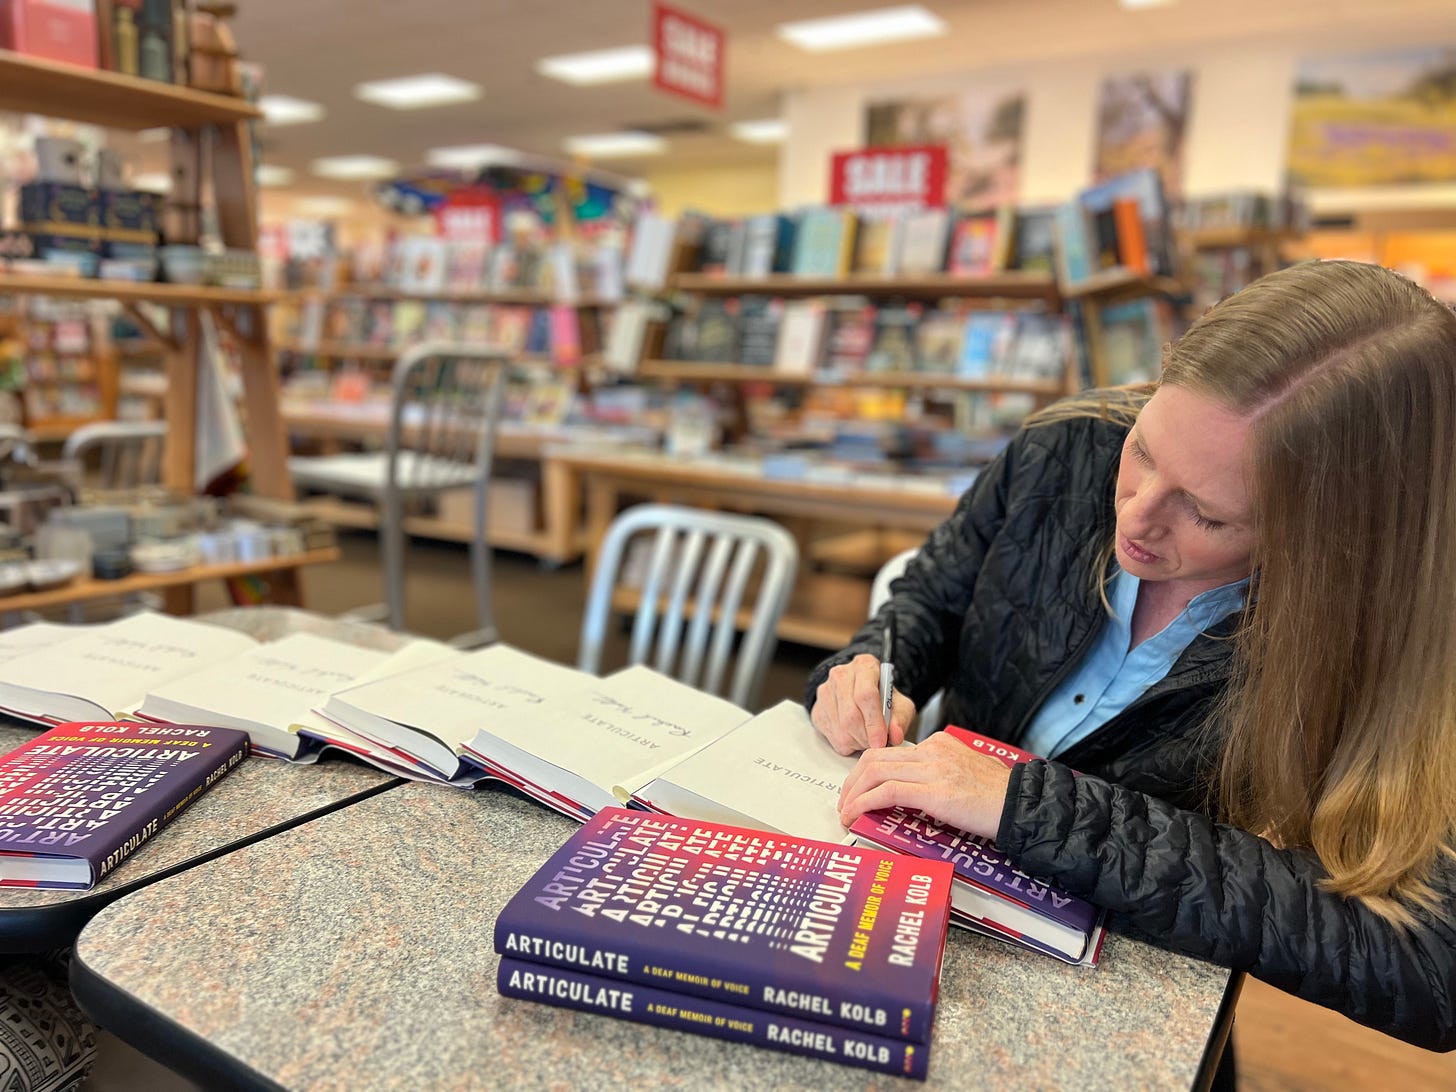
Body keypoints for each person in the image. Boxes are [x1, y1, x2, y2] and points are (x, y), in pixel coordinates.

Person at [806, 260, 1456, 1057]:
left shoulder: (1400, 627)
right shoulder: (1067, 447)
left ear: (1328, 532)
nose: (1138, 517)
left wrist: (1034, 808)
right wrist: (876, 669)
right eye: (1144, 449)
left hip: (1117, 1010)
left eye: (1209, 516)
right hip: (911, 913)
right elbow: (930, 602)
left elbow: (1427, 962)